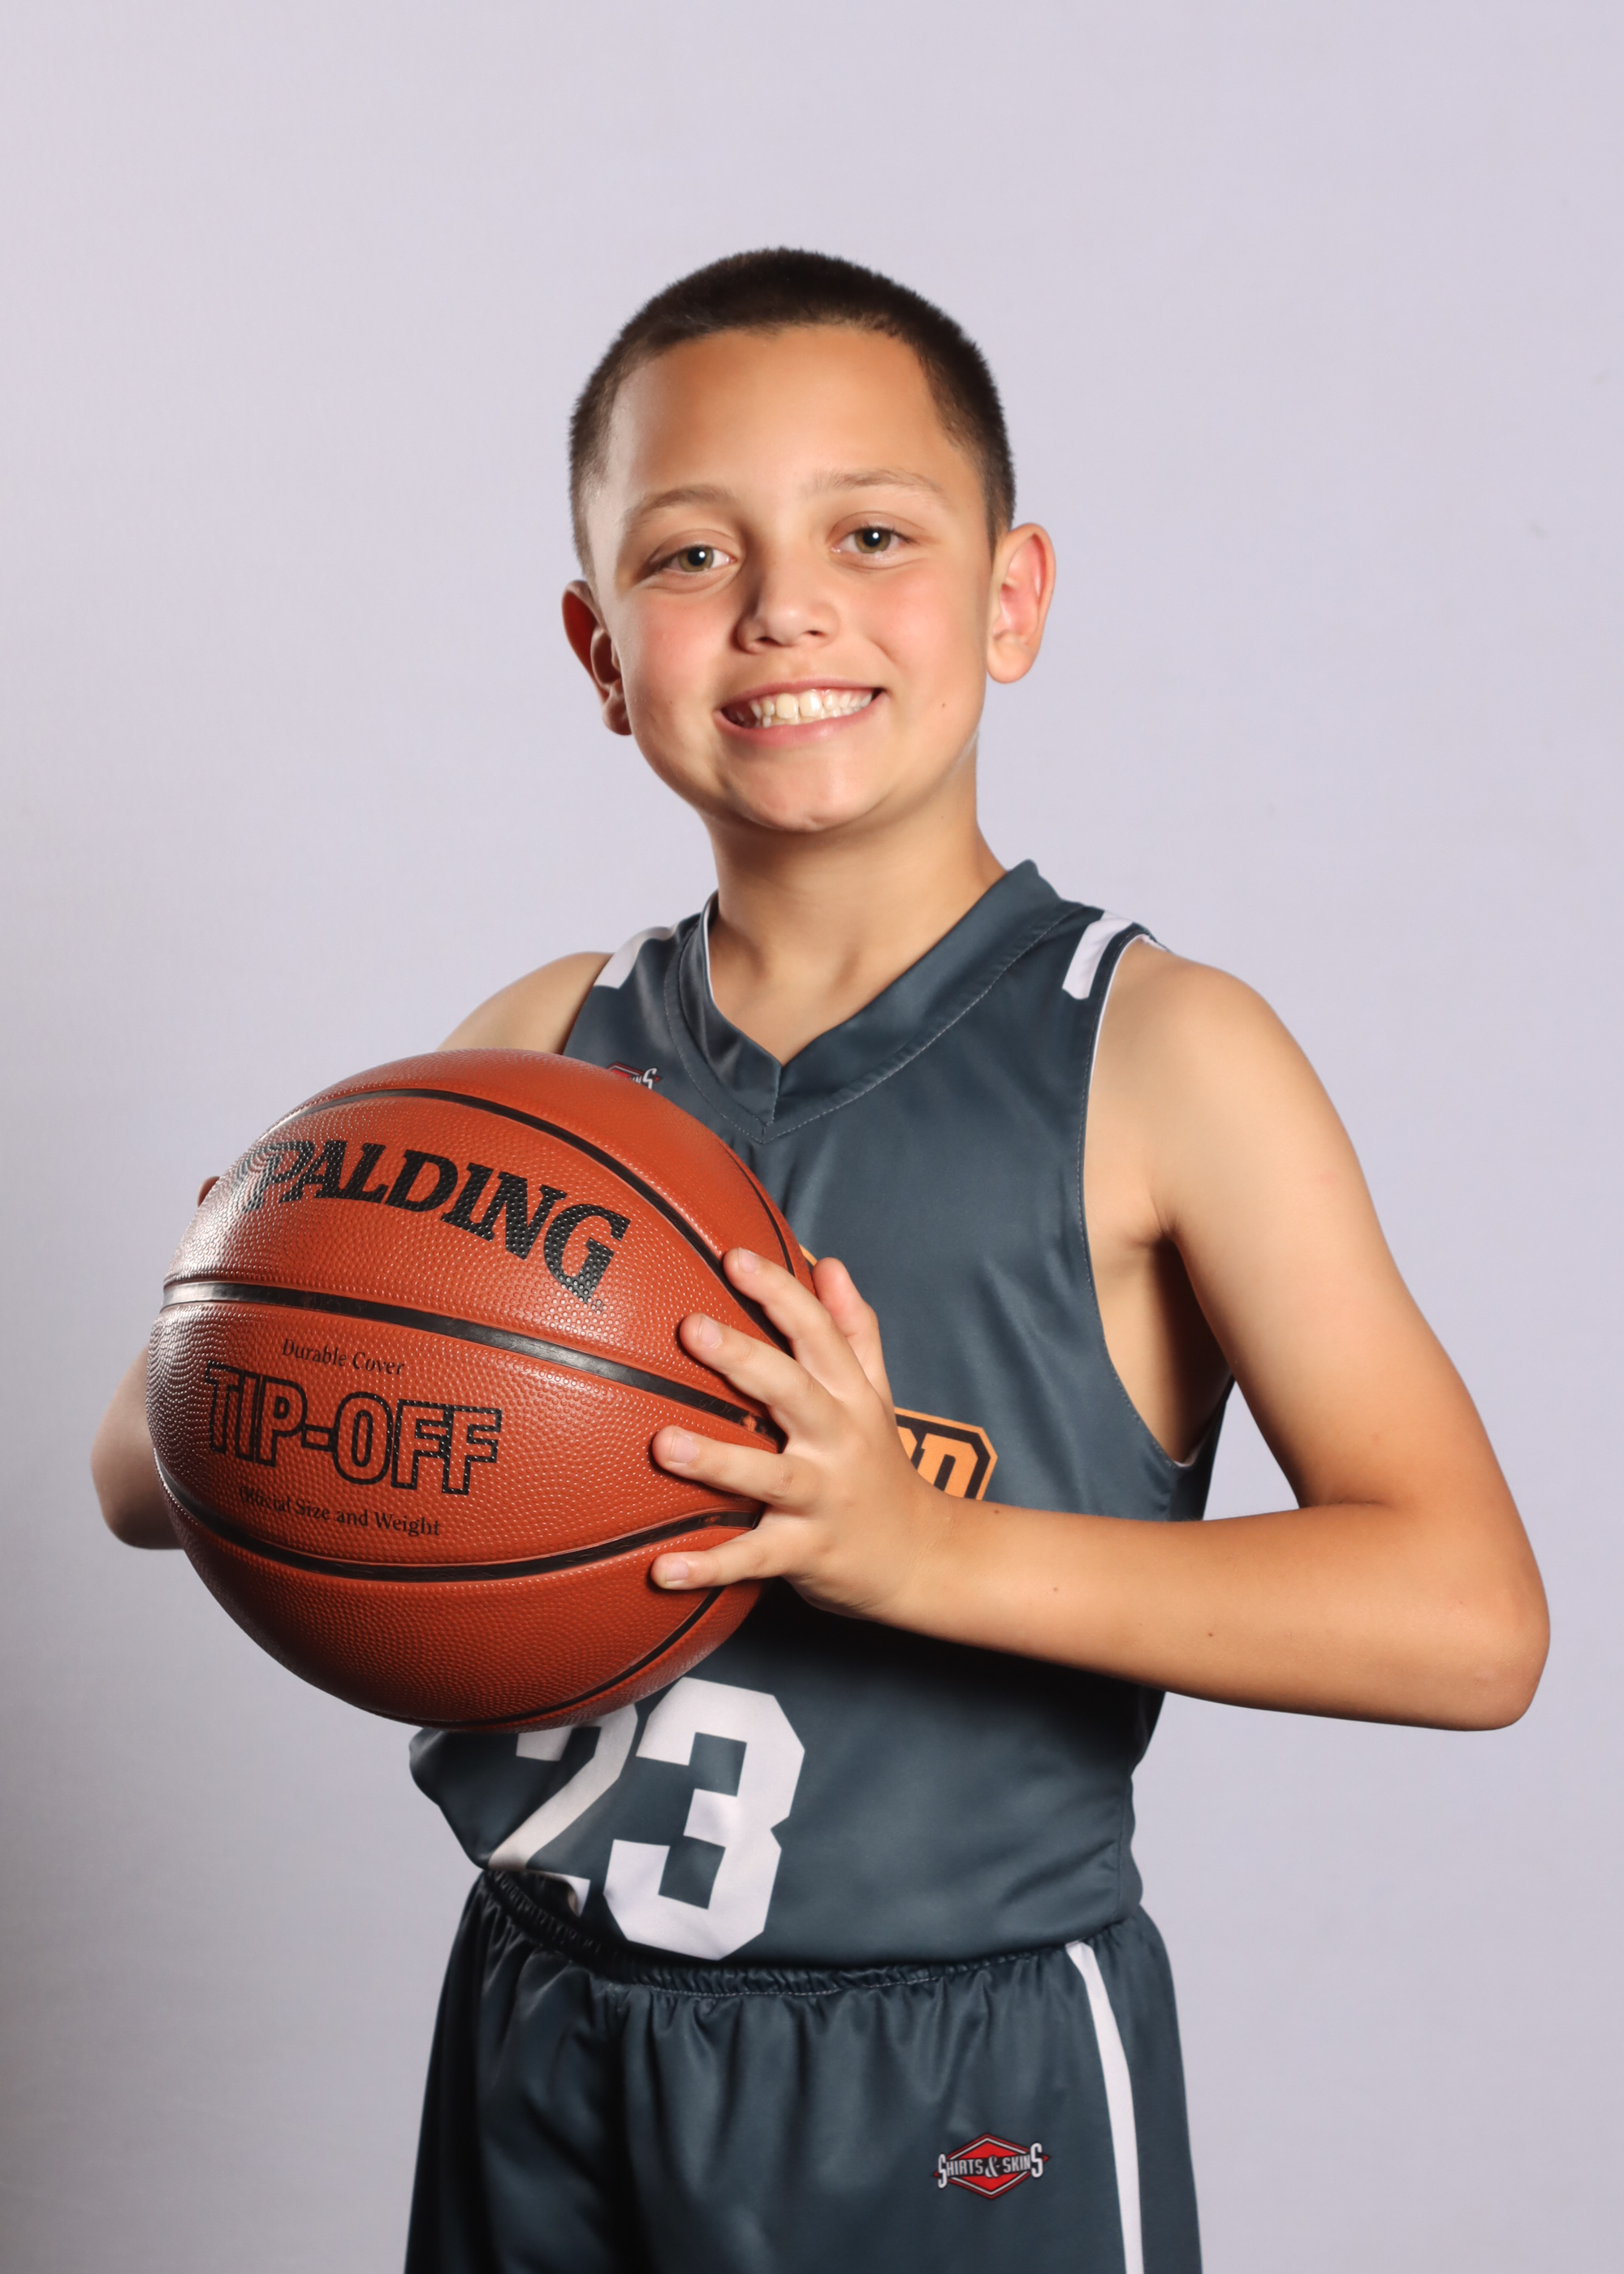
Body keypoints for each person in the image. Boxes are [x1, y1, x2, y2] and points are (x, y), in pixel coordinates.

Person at [93, 249, 1548, 2274]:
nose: (782, 605)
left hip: (951, 2063)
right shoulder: (539, 1044)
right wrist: (250, 1289)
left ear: (1011, 598)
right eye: (692, 554)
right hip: (545, 2022)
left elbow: (1469, 1622)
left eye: (871, 533)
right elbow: (139, 1472)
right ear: (601, 650)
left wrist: (914, 1545)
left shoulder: (1158, 1055)